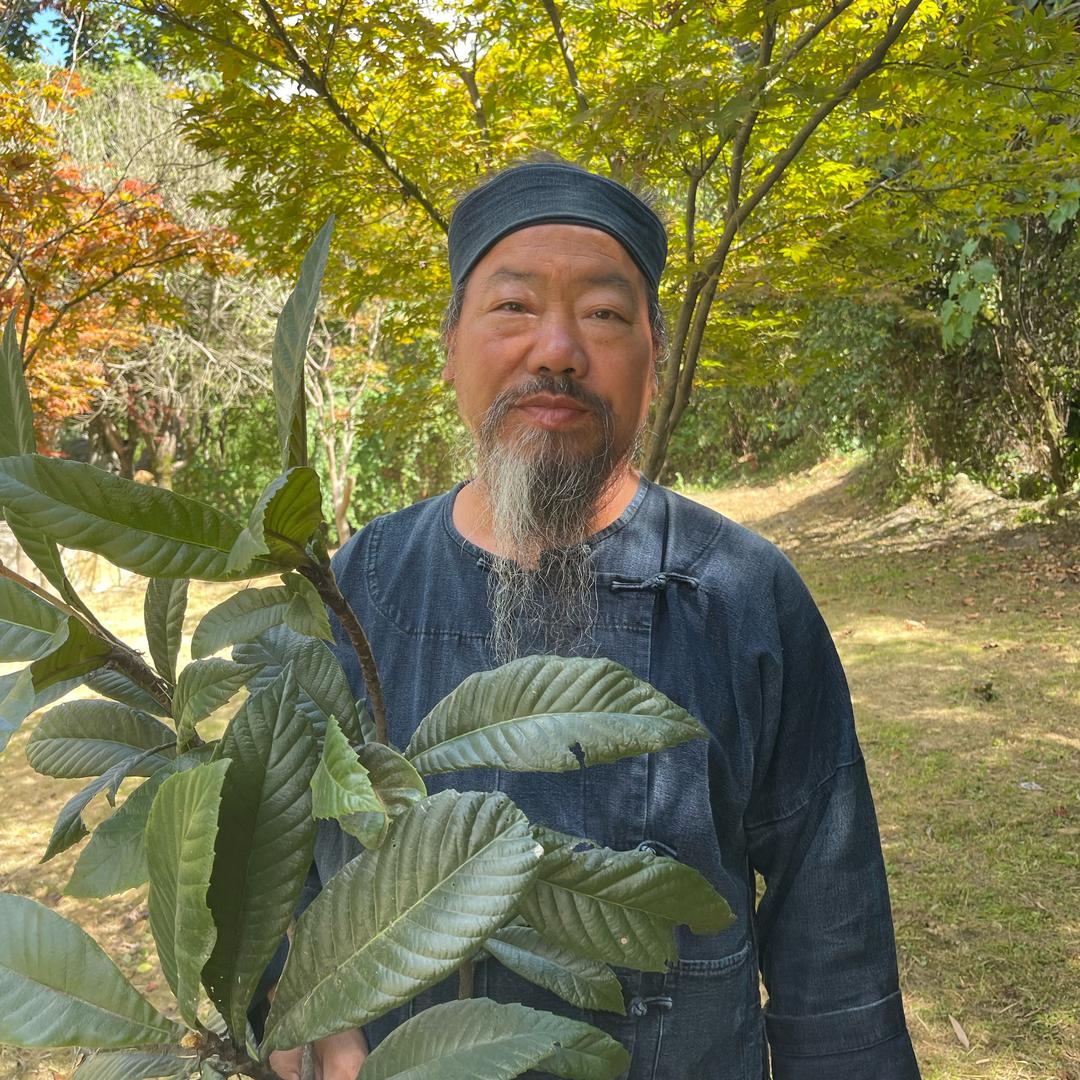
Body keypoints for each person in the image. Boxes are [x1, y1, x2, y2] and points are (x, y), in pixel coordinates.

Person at [270, 159, 921, 1080]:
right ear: (451, 345)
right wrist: (297, 1003)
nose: (558, 349)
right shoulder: (359, 583)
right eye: (513, 306)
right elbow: (281, 844)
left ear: (655, 359)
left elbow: (834, 941)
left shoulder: (741, 596)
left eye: (606, 314)